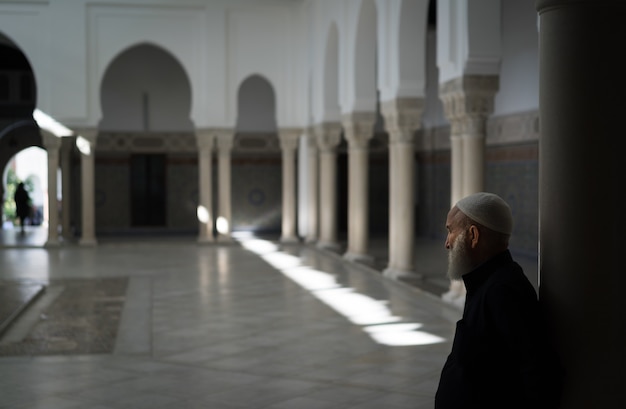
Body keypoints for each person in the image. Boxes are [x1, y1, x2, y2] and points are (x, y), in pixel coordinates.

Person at [435, 192, 562, 409]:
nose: (447, 243)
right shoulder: (487, 282)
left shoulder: (502, 290)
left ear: (473, 235)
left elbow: (535, 371)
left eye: (450, 231)